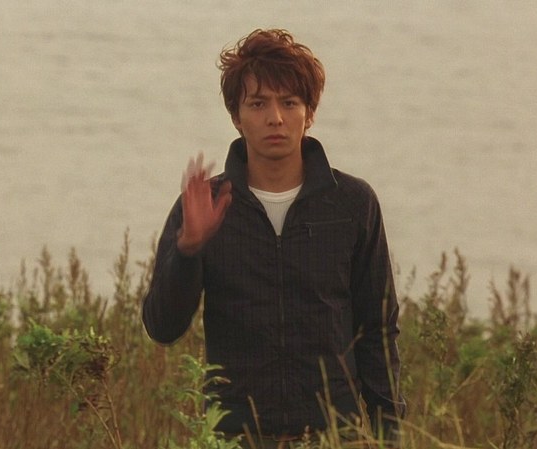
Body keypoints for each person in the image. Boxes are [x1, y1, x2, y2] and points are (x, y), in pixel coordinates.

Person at [142, 28, 406, 446]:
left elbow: (377, 328)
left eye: (289, 102)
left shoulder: (352, 204)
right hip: (235, 435)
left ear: (309, 112)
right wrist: (188, 250)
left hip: (335, 434)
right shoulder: (205, 206)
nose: (275, 118)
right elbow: (162, 327)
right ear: (236, 116)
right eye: (258, 103)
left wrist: (387, 433)